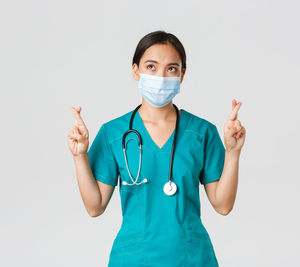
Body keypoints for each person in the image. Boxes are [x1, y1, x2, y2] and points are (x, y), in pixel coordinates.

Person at [67, 30, 246, 267]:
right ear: (135, 70)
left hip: (191, 258)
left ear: (182, 75)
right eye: (151, 67)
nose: (161, 76)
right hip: (132, 259)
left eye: (171, 68)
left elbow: (223, 206)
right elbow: (94, 206)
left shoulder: (201, 132)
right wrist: (80, 156)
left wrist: (233, 152)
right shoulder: (114, 133)